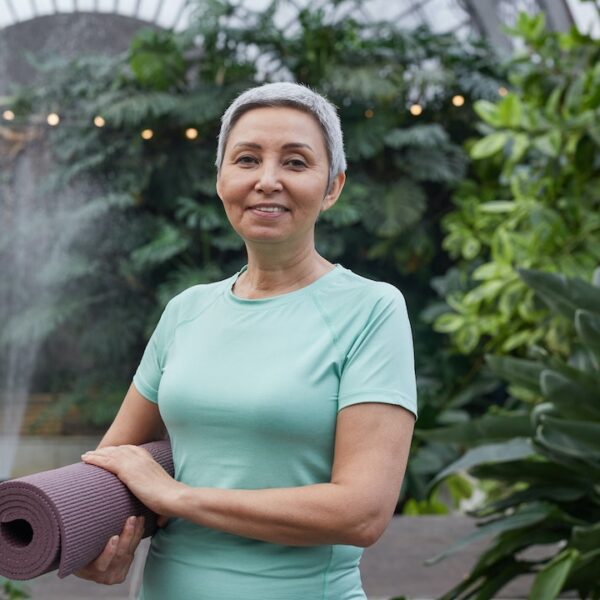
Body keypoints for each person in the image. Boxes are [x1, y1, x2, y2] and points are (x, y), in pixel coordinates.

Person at [76, 81, 417, 600]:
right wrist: (86, 536)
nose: (268, 180)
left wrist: (178, 498)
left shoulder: (371, 310)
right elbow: (115, 463)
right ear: (221, 179)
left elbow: (363, 512)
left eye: (297, 162)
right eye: (247, 159)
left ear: (333, 186)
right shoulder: (188, 310)